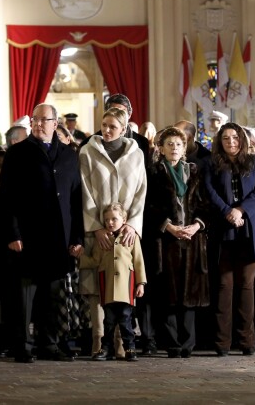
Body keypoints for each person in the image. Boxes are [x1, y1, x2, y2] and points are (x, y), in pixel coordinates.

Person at [0, 103, 84, 363]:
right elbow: (7, 197)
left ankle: (49, 342)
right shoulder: (18, 153)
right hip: (28, 236)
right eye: (34, 120)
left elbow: (76, 198)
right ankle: (23, 344)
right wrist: (13, 233)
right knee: (25, 296)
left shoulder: (69, 155)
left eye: (43, 120)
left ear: (55, 123)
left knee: (52, 295)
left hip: (59, 238)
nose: (37, 125)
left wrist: (77, 238)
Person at [79, 107, 147, 358]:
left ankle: (122, 343)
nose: (107, 130)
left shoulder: (135, 154)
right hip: (99, 229)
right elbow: (85, 191)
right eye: (104, 125)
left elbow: (141, 191)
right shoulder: (87, 151)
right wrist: (96, 227)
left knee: (123, 287)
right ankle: (99, 341)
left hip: (125, 231)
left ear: (124, 127)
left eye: (113, 127)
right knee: (97, 286)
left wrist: (132, 224)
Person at [204, 122, 255, 357]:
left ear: (242, 139)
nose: (231, 142)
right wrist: (227, 212)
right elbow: (209, 191)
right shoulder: (213, 164)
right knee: (224, 286)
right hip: (224, 229)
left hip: (250, 229)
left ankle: (247, 341)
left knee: (246, 286)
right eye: (226, 139)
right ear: (219, 142)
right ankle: (222, 343)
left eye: (235, 137)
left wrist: (241, 211)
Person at [145, 126, 210, 359]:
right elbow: (148, 207)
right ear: (161, 148)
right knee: (168, 296)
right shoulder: (153, 173)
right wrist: (169, 226)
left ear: (185, 149)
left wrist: (196, 225)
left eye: (179, 144)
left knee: (190, 295)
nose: (174, 148)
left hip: (192, 240)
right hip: (166, 240)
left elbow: (205, 204)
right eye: (169, 144)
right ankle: (172, 344)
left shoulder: (195, 172)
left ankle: (188, 343)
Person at [79, 202, 146, 362]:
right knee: (108, 322)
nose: (110, 222)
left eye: (114, 219)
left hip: (126, 288)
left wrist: (140, 283)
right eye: (107, 219)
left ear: (124, 219)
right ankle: (106, 349)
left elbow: (138, 261)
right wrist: (79, 257)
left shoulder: (132, 236)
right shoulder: (102, 240)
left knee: (125, 320)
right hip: (107, 288)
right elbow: (95, 260)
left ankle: (130, 348)